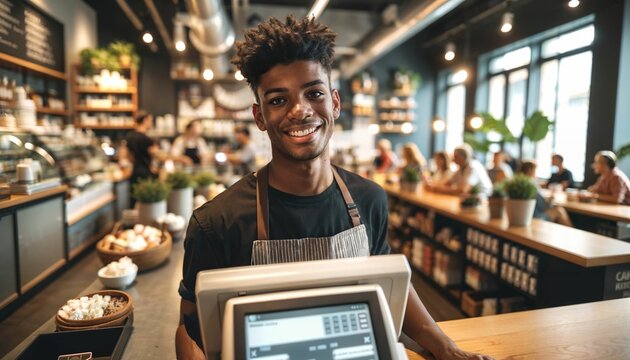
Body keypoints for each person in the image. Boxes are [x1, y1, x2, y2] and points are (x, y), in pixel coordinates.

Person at [175, 15, 491, 360]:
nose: (300, 110)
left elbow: (391, 284)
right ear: (259, 116)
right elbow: (189, 332)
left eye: (314, 93)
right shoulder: (216, 223)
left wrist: (448, 350)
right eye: (279, 100)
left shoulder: (369, 199)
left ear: (335, 103)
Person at [519, 161, 572, 226]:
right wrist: (551, 198)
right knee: (559, 210)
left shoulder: (520, 183)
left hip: (524, 216)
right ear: (530, 170)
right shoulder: (531, 185)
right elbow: (543, 206)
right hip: (535, 217)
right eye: (535, 170)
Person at [428, 144, 492, 196]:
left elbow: (463, 190)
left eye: (456, 156)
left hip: (484, 200)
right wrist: (435, 187)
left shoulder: (473, 167)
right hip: (472, 199)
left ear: (464, 157)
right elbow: (447, 184)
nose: (453, 159)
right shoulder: (461, 168)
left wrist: (438, 189)